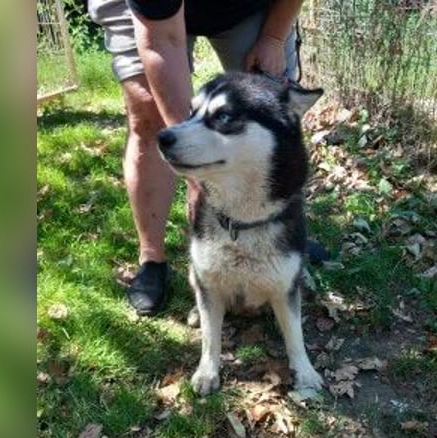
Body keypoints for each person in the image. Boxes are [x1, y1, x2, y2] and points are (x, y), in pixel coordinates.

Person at [88, 0, 309, 315]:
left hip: (246, 8)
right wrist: (196, 166)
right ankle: (152, 257)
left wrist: (272, 38)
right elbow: (160, 41)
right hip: (151, 19)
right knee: (148, 114)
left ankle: (283, 235)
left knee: (273, 109)